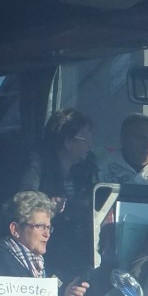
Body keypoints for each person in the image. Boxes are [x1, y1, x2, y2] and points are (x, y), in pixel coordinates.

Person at [0, 191, 88, 296]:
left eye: (49, 228)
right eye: (40, 227)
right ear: (15, 229)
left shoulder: (47, 268)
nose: (47, 234)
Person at [19, 109, 99, 284]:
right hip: (44, 240)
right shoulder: (36, 162)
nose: (90, 146)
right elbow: (25, 201)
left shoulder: (89, 168)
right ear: (68, 142)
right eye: (86, 140)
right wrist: (47, 206)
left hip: (77, 241)